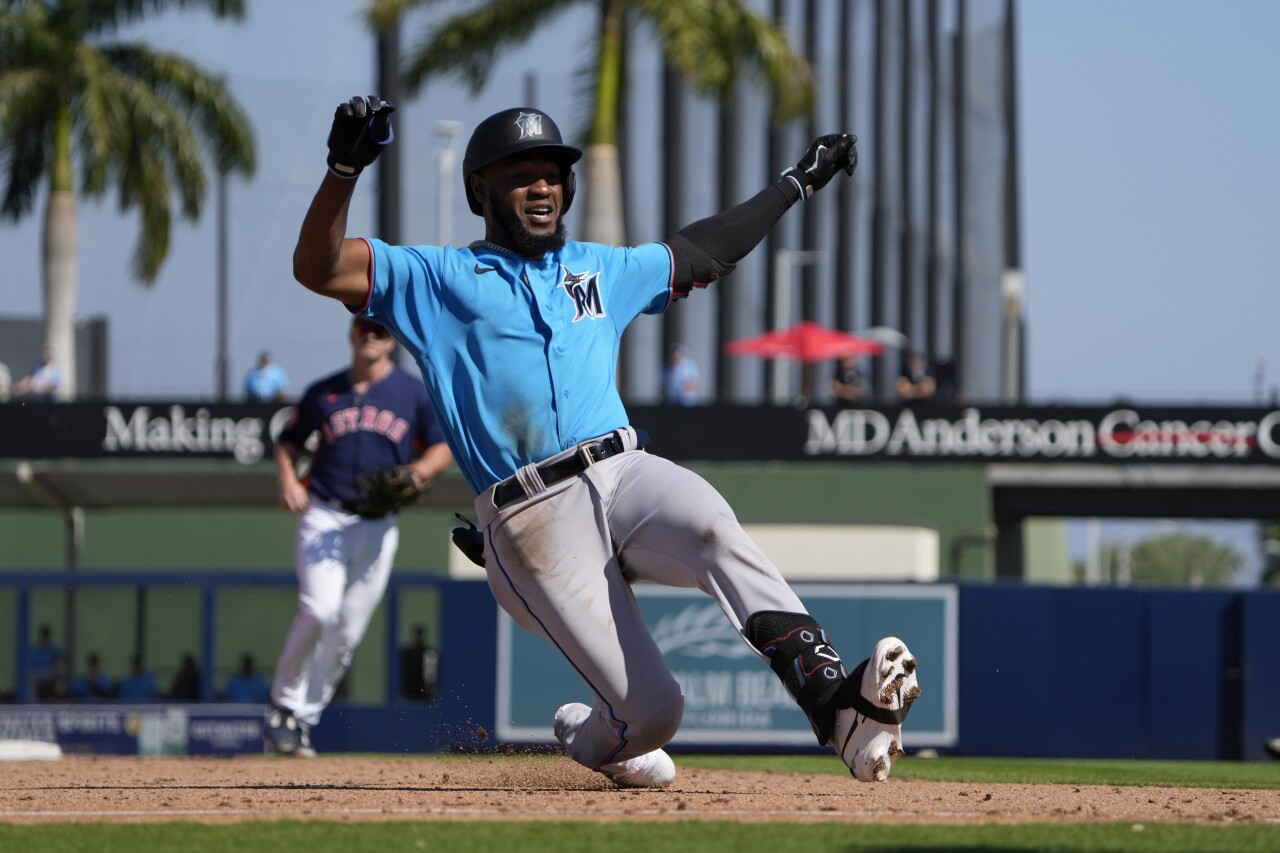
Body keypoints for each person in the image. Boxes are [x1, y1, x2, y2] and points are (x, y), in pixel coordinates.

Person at [291, 97, 920, 785]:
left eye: (553, 172)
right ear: (480, 188)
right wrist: (344, 169)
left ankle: (838, 710)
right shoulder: (436, 278)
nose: (542, 185)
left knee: (711, 522)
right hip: (531, 517)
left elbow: (703, 250)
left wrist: (792, 184)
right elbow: (319, 268)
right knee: (656, 713)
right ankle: (590, 732)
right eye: (520, 172)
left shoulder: (598, 267)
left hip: (622, 471)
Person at [263, 315, 453, 758]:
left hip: (379, 522)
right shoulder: (323, 391)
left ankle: (299, 721)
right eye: (362, 329)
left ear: (391, 342)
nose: (370, 336)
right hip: (325, 514)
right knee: (319, 609)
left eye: (379, 331)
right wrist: (289, 480)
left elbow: (441, 444)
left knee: (347, 632)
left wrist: (421, 471)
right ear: (350, 335)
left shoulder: (412, 393)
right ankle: (282, 706)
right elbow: (289, 441)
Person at [400, 625, 440, 702]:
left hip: (425, 697)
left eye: (420, 637)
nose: (418, 640)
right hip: (408, 696)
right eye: (417, 637)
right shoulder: (407, 654)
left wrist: (431, 694)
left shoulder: (430, 654)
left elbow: (432, 678)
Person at [27, 623, 65, 700]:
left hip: (50, 675)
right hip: (37, 675)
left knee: (32, 677)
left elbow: (59, 667)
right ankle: (32, 703)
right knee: (29, 677)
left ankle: (32, 703)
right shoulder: (34, 650)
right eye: (43, 635)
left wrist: (50, 671)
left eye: (46, 635)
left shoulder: (55, 649)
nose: (44, 638)